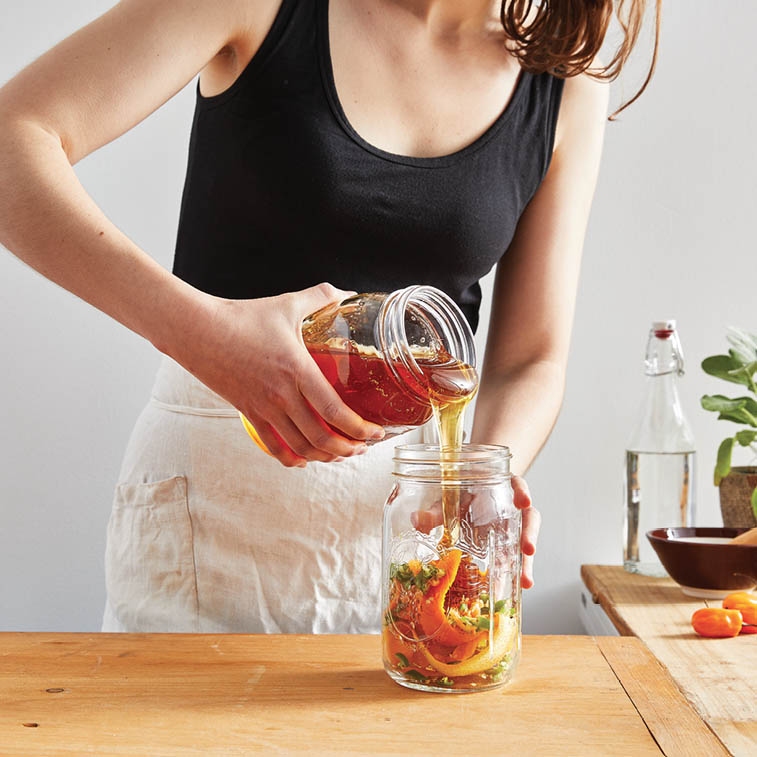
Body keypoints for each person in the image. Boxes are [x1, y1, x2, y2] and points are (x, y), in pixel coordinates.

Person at [0, 0, 657, 632]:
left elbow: (529, 359)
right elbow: (12, 143)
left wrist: (482, 476)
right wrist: (205, 336)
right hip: (210, 520)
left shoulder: (562, 77)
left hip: (408, 532)